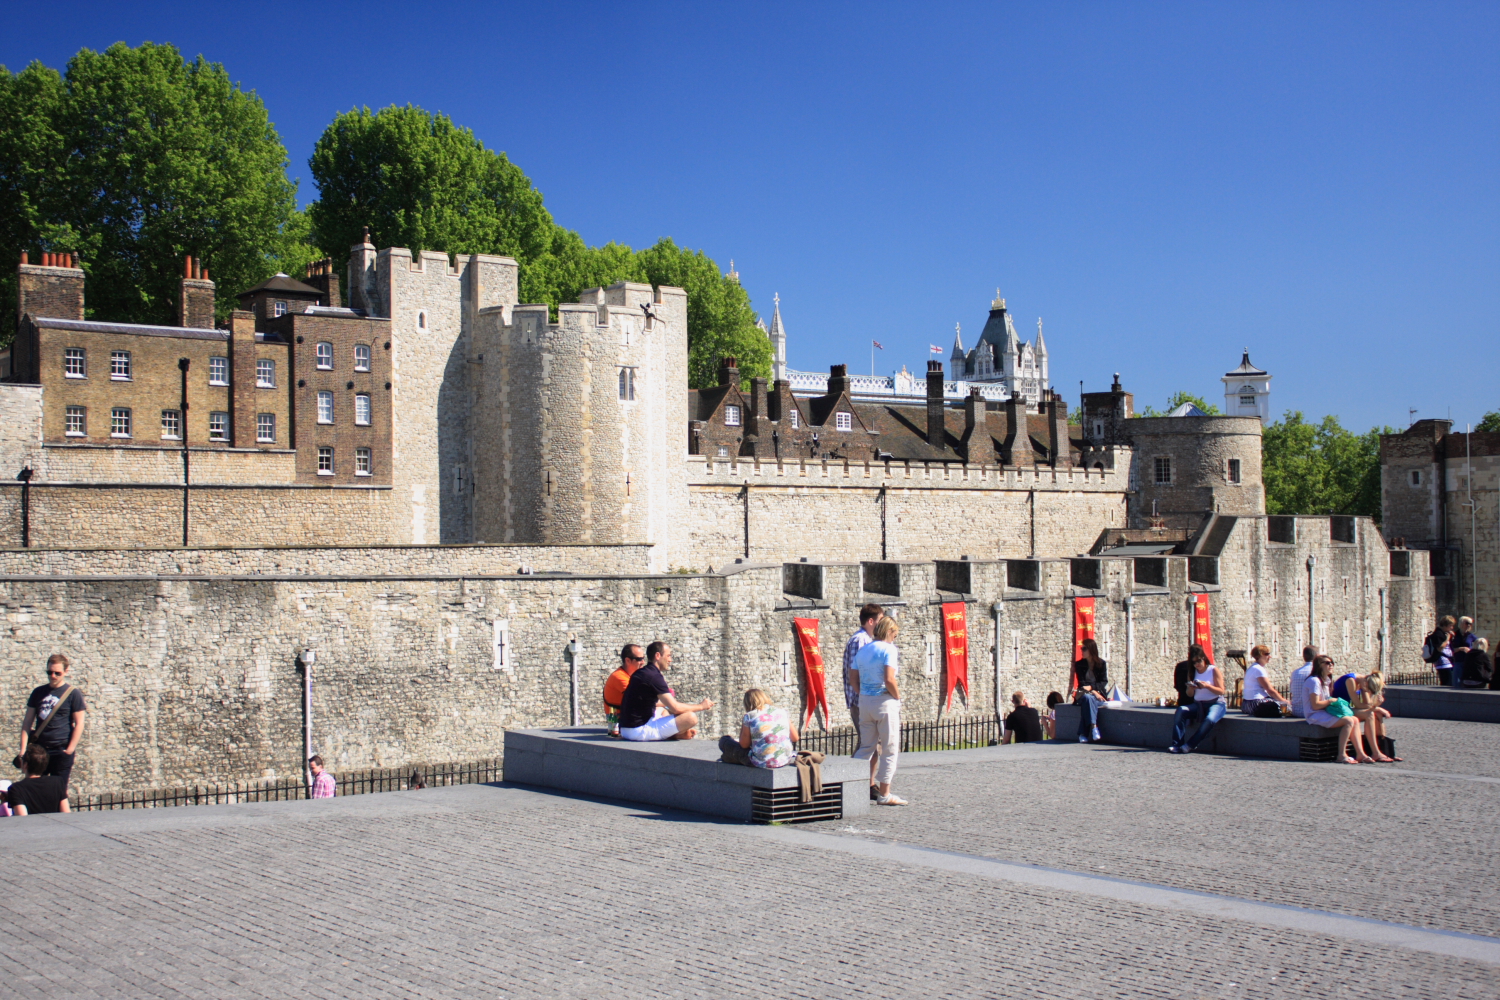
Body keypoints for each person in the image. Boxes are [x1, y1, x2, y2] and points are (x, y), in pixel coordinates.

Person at [853, 615, 906, 806]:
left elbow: (853, 678)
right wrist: (897, 696)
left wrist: (864, 694)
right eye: (895, 634)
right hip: (884, 701)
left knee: (866, 747)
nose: (895, 638)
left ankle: (850, 786)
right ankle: (885, 793)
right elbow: (889, 678)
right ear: (890, 631)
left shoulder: (863, 650)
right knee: (890, 748)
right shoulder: (889, 649)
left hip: (865, 701)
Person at [618, 641, 713, 741]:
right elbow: (676, 708)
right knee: (690, 717)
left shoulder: (643, 672)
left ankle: (674, 734)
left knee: (663, 710)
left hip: (625, 728)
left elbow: (658, 703)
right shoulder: (654, 676)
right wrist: (701, 706)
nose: (670, 660)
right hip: (638, 731)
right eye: (668, 656)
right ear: (658, 655)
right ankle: (675, 735)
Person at [18, 653, 86, 787]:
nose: (53, 676)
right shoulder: (38, 692)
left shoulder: (73, 694)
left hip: (61, 749)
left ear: (66, 671)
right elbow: (27, 722)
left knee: (59, 790)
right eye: (49, 672)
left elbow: (79, 723)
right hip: (40, 750)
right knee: (34, 788)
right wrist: (23, 749)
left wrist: (70, 749)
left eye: (57, 673)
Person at [1305, 655, 1373, 764]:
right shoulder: (1314, 681)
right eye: (1327, 663)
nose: (1331, 665)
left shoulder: (1326, 681)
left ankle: (1360, 753)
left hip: (1324, 711)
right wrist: (1331, 701)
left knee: (1354, 719)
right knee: (1349, 721)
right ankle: (1341, 754)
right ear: (1319, 666)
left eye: (1332, 662)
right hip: (1314, 715)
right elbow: (1315, 705)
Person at [843, 603, 882, 791]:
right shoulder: (860, 640)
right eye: (880, 621)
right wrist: (862, 696)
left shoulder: (870, 640)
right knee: (868, 743)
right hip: (861, 700)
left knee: (871, 743)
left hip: (867, 698)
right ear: (871, 621)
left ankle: (865, 783)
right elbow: (854, 673)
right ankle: (854, 783)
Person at [1169, 646, 1227, 753]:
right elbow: (1190, 694)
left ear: (1204, 658)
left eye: (1199, 661)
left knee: (1210, 719)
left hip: (1216, 703)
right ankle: (1177, 744)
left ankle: (1191, 744)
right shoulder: (1192, 672)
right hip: (1199, 704)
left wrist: (1207, 686)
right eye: (1194, 662)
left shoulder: (1213, 670)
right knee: (1181, 710)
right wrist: (1190, 687)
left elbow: (1221, 691)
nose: (1197, 665)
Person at [730, 688, 799, 768]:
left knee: (725, 741)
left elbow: (744, 745)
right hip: (784, 760)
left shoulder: (749, 716)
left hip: (761, 762)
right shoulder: (782, 712)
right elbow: (795, 738)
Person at [5, 744, 69, 815]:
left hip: (33, 825)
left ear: (26, 765)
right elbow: (66, 814)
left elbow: (22, 819)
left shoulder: (16, 789)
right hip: (56, 825)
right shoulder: (57, 782)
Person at [1351, 673, 1397, 762]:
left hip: (1357, 710)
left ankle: (1385, 751)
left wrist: (1377, 707)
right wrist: (1378, 707)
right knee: (1372, 714)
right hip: (1351, 710)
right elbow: (1366, 707)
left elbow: (1369, 707)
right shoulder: (1363, 690)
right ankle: (1376, 752)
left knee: (1378, 715)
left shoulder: (1367, 691)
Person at [603, 643, 646, 736]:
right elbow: (641, 699)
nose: (643, 662)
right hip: (618, 719)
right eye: (639, 659)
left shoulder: (632, 675)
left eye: (643, 658)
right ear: (628, 660)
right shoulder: (619, 677)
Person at [1072, 638, 1108, 743]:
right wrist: (1093, 691)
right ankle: (1094, 726)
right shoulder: (1079, 664)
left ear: (1091, 650)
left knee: (1088, 702)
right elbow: (1082, 684)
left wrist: (1092, 688)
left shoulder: (1101, 664)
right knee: (1088, 698)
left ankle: (1083, 733)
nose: (1081, 651)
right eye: (1081, 648)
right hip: (1083, 694)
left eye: (1084, 649)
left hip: (1098, 695)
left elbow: (1103, 682)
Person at [1241, 644, 1290, 716]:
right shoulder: (1259, 669)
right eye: (1267, 654)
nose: (1270, 656)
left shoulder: (1252, 667)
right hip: (1257, 703)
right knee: (1288, 707)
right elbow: (1270, 690)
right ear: (1259, 655)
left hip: (1247, 704)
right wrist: (1284, 701)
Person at [1287, 646, 1318, 718]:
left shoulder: (1295, 672)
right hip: (1311, 712)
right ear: (1317, 656)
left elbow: (1292, 692)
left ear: (1304, 657)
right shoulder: (1316, 672)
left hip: (1296, 711)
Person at [1425, 617, 1457, 686]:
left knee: (1450, 682)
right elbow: (1440, 648)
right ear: (1445, 625)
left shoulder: (1445, 633)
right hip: (1443, 663)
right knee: (1447, 683)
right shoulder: (1438, 634)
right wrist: (1447, 639)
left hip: (1448, 661)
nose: (1452, 628)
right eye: (1450, 625)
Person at [1453, 617, 1478, 687]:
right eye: (1467, 623)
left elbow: (1480, 643)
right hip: (1458, 661)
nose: (1469, 625)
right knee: (1457, 683)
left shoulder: (1471, 636)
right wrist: (1461, 648)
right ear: (1461, 623)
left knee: (1467, 682)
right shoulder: (1455, 635)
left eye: (1470, 624)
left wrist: (1471, 650)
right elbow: (1450, 649)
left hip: (1468, 662)